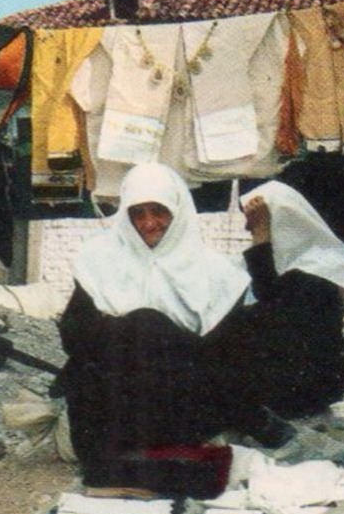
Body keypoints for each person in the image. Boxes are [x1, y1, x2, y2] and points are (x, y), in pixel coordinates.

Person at [55, 163, 249, 492]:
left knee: (149, 325)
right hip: (113, 396)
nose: (148, 224)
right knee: (138, 329)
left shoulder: (217, 272)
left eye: (159, 212)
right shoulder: (98, 259)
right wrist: (133, 332)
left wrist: (155, 337)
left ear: (178, 211)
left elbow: (225, 353)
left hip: (180, 397)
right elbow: (75, 338)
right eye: (138, 213)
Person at [209, 181, 344, 423]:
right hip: (288, 371)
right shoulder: (291, 264)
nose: (247, 226)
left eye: (255, 220)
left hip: (307, 384)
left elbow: (271, 303)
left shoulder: (318, 269)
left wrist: (262, 237)